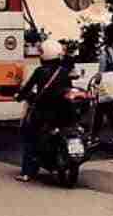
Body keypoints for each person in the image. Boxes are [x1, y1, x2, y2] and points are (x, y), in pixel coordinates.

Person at [14, 41, 76, 182]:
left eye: (41, 52)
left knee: (29, 136)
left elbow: (27, 89)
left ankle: (27, 172)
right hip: (62, 113)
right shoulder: (64, 72)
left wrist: (19, 96)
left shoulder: (40, 71)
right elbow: (67, 90)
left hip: (44, 113)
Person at [93, 25, 113, 144]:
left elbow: (101, 72)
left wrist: (96, 83)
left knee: (100, 111)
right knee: (107, 111)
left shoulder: (105, 52)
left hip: (107, 87)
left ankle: (95, 136)